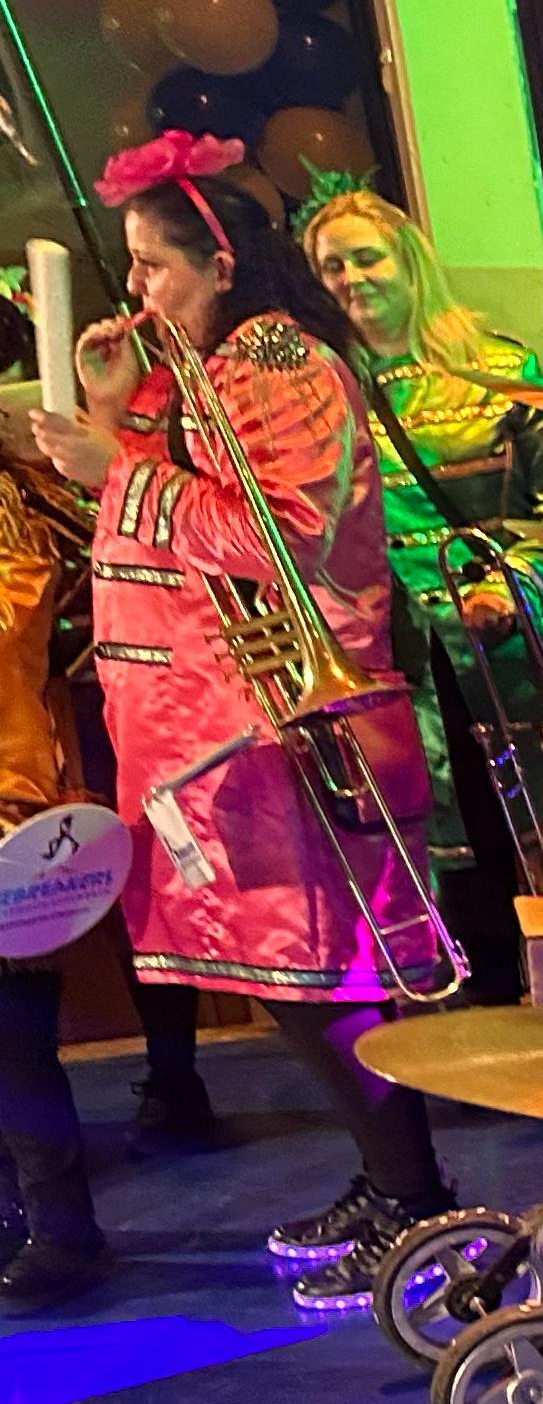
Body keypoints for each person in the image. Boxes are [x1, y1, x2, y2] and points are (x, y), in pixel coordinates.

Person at [23, 132, 465, 1307]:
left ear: (219, 263)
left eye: (153, 264)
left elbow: (282, 537)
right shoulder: (205, 368)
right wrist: (118, 417)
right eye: (127, 262)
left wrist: (118, 462)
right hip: (208, 734)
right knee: (287, 978)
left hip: (280, 722)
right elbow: (178, 518)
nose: (135, 287)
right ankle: (391, 1177)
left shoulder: (278, 359)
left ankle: (417, 1196)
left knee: (321, 974)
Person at [297, 178, 543, 940]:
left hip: (507, 654)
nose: (352, 278)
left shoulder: (501, 369)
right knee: (450, 869)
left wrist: (513, 588)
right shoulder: (316, 393)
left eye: (367, 258)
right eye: (331, 267)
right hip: (394, 664)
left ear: (409, 262)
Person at [0, 446, 104, 1300]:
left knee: (14, 1042)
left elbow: (17, 623)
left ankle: (61, 1227)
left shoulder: (10, 505)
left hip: (6, 793)